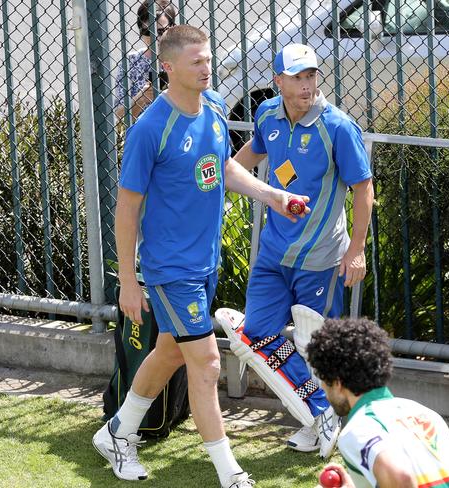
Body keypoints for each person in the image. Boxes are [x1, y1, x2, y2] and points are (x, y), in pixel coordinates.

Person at [93, 25, 309, 487]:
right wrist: (130, 281)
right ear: (168, 67)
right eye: (196, 62)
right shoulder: (150, 128)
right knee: (208, 362)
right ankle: (230, 473)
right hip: (170, 269)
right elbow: (127, 207)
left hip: (203, 263)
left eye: (208, 58)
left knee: (170, 350)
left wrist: (271, 195)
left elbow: (224, 165)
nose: (207, 67)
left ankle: (118, 432)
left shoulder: (211, 108)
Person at [227, 43, 374, 457]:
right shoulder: (267, 114)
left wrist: (356, 250)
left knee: (319, 348)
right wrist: (221, 180)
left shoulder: (338, 127)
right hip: (274, 255)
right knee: (257, 333)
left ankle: (326, 419)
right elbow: (249, 156)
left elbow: (363, 188)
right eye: (297, 77)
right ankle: (318, 411)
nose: (307, 84)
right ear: (278, 81)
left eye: (311, 75)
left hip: (321, 259)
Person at [307, 317, 449, 488]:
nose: (325, 393)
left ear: (337, 383)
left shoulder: (358, 430)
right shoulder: (426, 414)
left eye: (324, 382)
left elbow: (400, 477)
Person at [114, 0, 176, 120]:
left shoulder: (183, 60)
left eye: (160, 31)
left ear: (172, 28)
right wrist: (142, 98)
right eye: (148, 31)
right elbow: (118, 117)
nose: (154, 38)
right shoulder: (130, 62)